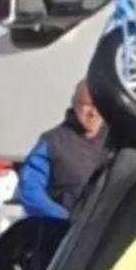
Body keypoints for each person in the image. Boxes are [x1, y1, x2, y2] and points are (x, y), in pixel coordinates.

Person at [17, 81, 108, 221]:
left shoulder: (117, 141)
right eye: (86, 105)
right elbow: (29, 191)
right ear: (74, 103)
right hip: (65, 232)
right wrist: (62, 217)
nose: (93, 113)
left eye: (98, 105)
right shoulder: (52, 141)